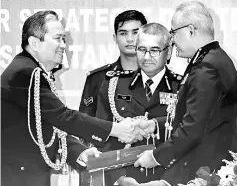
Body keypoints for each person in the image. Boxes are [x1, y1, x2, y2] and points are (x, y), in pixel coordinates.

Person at [1, 10, 154, 186]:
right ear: (35, 43)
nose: (63, 45)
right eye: (58, 38)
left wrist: (80, 152)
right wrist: (117, 129)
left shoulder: (31, 70)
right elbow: (64, 117)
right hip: (18, 177)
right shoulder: (26, 73)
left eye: (64, 39)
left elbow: (50, 128)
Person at [135, 0, 237, 186]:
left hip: (205, 170)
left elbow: (193, 128)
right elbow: (204, 116)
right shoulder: (213, 59)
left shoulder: (208, 67)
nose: (172, 39)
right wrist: (155, 125)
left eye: (174, 32)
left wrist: (156, 156)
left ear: (191, 30)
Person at [94, 23, 181, 186]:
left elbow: (188, 139)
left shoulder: (183, 87)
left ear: (168, 52)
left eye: (154, 50)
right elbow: (103, 138)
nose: (147, 57)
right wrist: (117, 178)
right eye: (141, 49)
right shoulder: (113, 85)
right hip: (124, 180)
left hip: (167, 180)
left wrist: (167, 182)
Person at [79, 10, 147, 117]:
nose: (130, 39)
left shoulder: (158, 76)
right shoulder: (98, 79)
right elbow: (85, 124)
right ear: (115, 38)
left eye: (135, 33)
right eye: (123, 33)